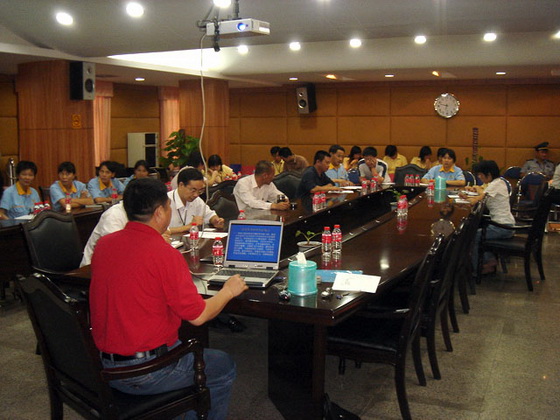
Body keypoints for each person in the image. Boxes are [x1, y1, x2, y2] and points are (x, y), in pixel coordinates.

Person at [89, 178, 247, 420]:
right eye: (168, 206)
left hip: (104, 363)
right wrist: (228, 290)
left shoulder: (104, 245)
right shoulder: (164, 254)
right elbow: (199, 316)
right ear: (159, 212)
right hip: (145, 371)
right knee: (222, 365)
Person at [460, 160, 515, 276]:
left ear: (489, 174)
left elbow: (475, 201)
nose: (479, 177)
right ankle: (489, 260)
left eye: (480, 175)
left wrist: (464, 198)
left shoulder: (496, 184)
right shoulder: (498, 182)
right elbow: (481, 195)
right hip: (504, 225)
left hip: (503, 227)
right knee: (476, 233)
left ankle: (477, 269)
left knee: (473, 236)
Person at [168, 168, 225, 235]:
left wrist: (215, 221)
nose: (196, 195)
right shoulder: (165, 201)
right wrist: (188, 226)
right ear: (181, 185)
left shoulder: (196, 200)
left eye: (200, 191)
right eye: (193, 190)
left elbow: (209, 214)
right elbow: (159, 231)